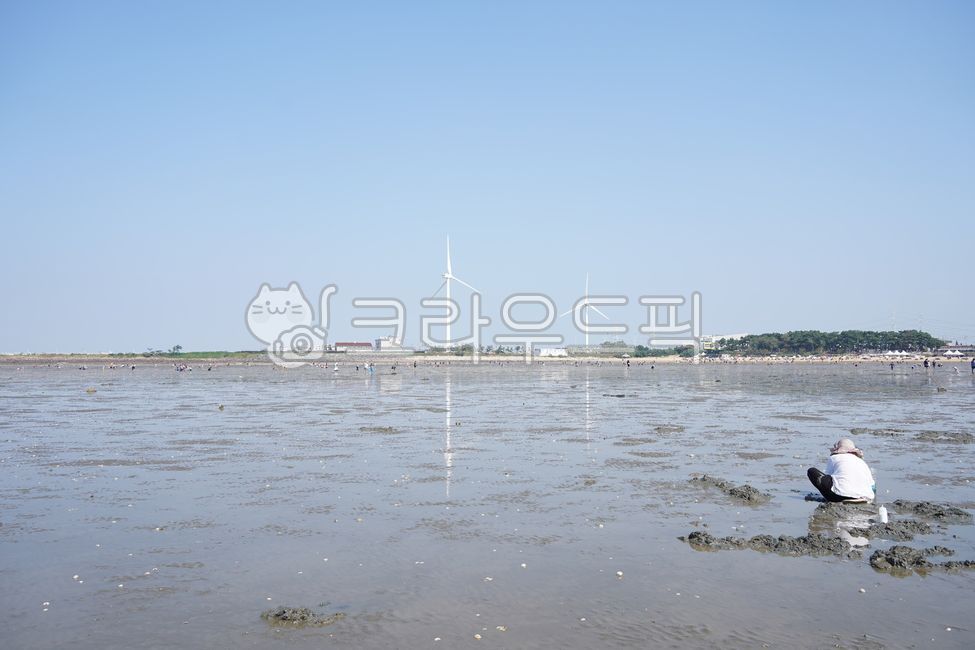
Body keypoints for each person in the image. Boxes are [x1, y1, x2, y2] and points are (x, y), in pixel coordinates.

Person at [807, 438, 875, 502]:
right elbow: (873, 486)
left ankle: (834, 497)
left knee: (811, 471)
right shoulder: (862, 462)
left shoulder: (835, 457)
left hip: (840, 495)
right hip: (866, 497)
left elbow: (828, 476)